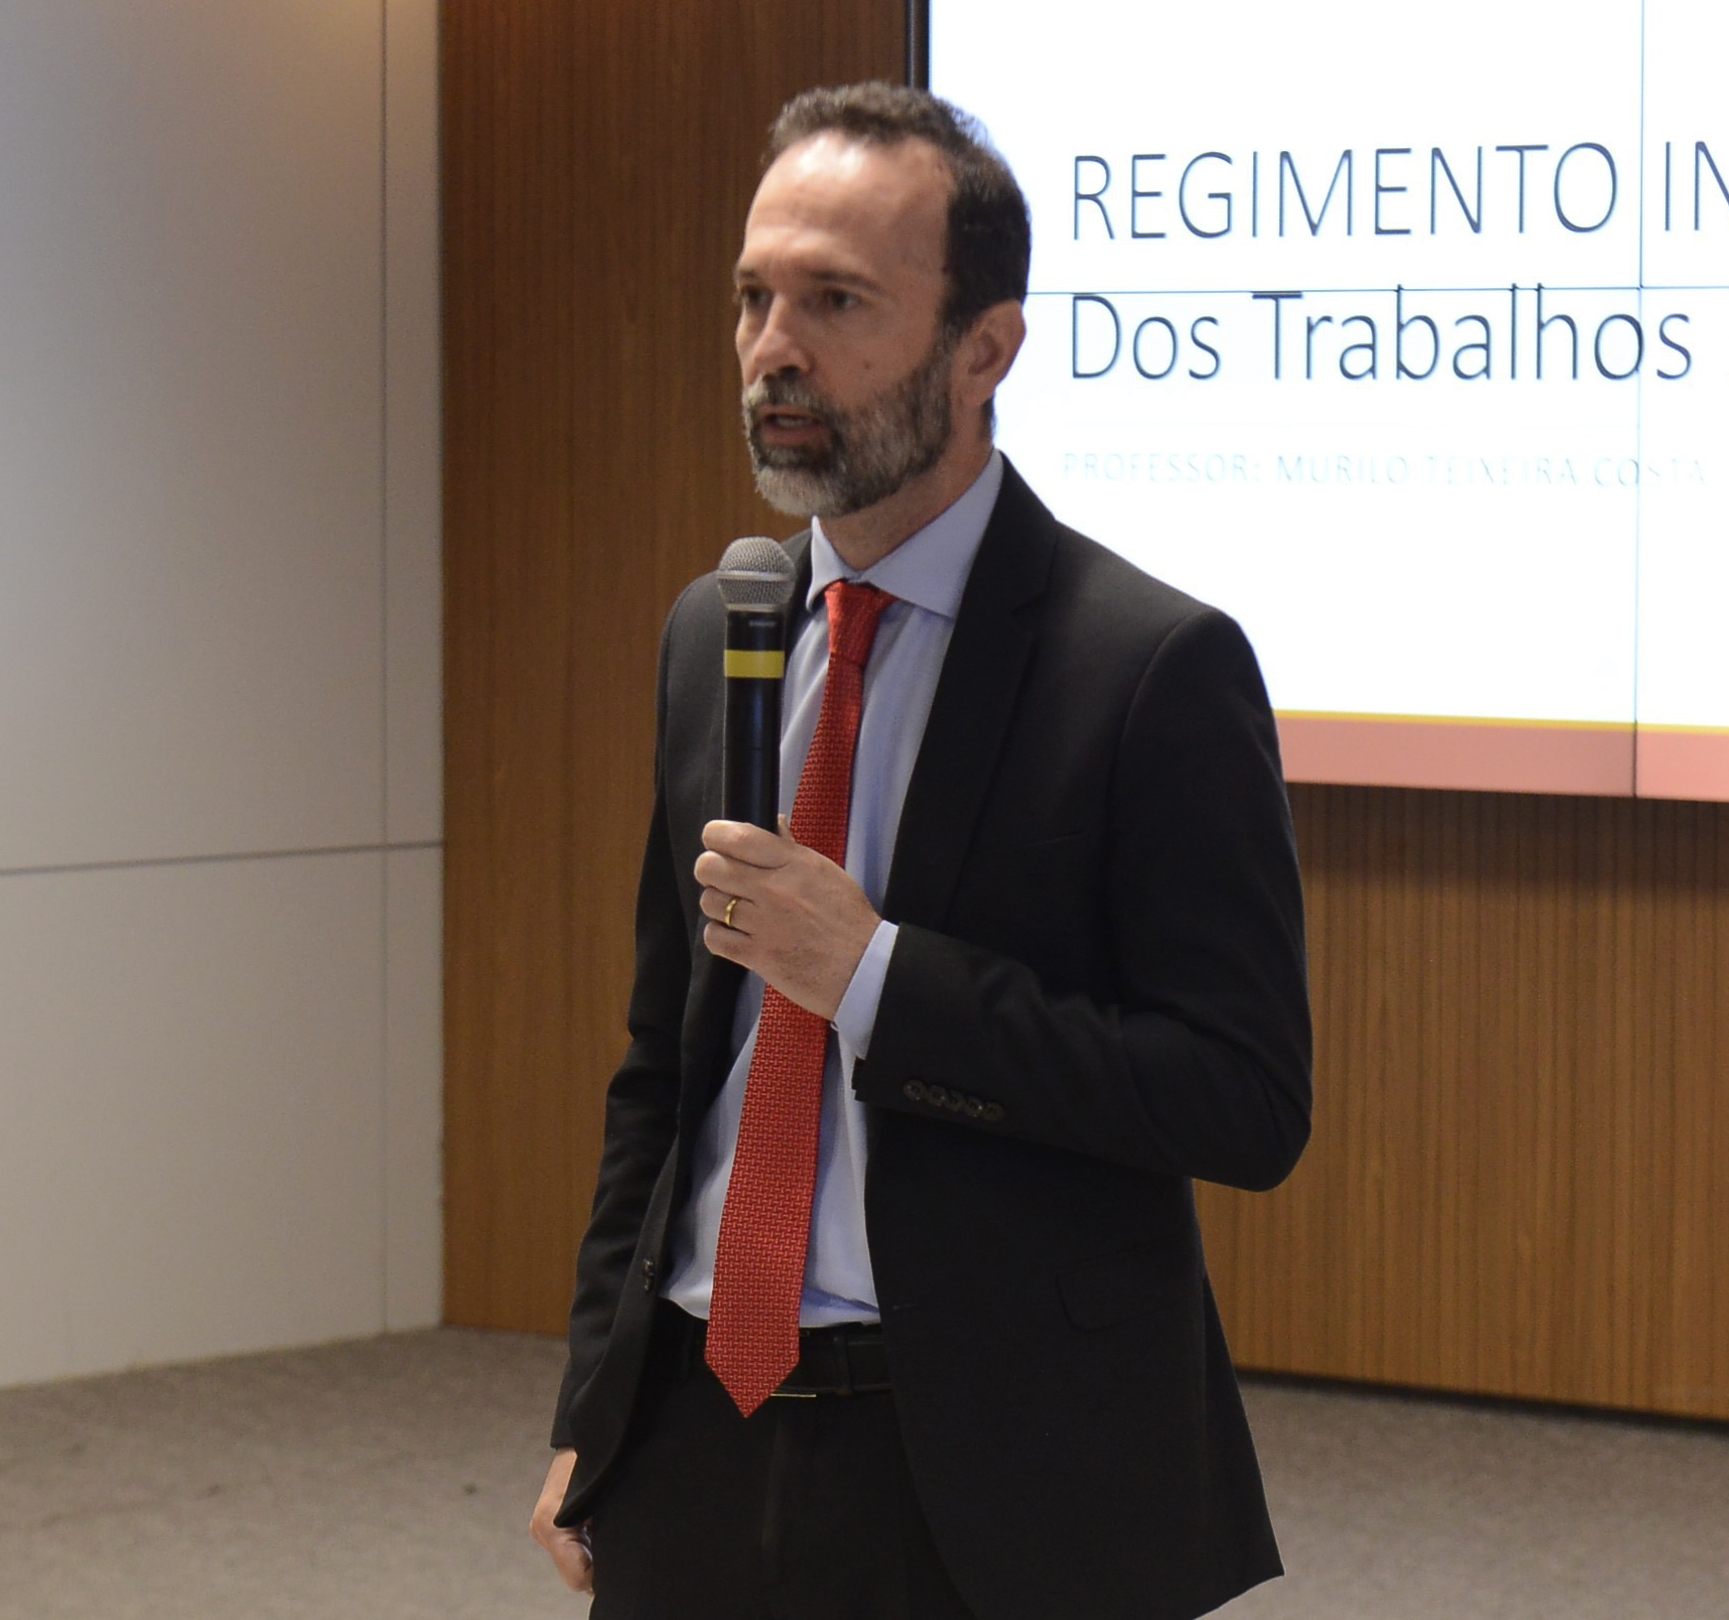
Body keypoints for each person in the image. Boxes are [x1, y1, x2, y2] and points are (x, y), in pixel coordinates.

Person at [526, 82, 1314, 1620]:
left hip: (985, 1470)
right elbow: (663, 1070)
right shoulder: (716, 632)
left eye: (836, 303)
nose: (773, 349)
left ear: (984, 351)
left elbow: (1241, 1099)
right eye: (752, 299)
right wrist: (592, 1410)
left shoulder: (1147, 668)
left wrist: (880, 981)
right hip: (693, 1425)